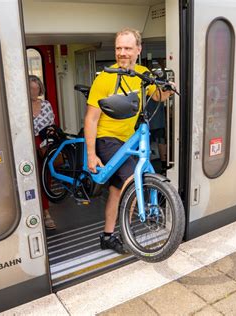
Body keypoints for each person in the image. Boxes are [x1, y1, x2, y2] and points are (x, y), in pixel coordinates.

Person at [84, 28, 175, 254]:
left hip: (128, 139)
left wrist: (169, 90)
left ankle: (107, 236)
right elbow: (91, 119)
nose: (122, 53)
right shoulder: (105, 78)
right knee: (131, 180)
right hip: (107, 139)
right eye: (118, 48)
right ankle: (129, 228)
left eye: (127, 48)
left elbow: (157, 96)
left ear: (138, 50)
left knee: (117, 190)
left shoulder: (143, 73)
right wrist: (91, 154)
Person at [29, 75, 56, 230]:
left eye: (36, 88)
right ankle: (38, 213)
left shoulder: (46, 104)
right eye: (31, 88)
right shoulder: (21, 105)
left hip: (45, 146)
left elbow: (51, 125)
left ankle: (46, 213)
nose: (34, 91)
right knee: (32, 179)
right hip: (28, 146)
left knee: (45, 179)